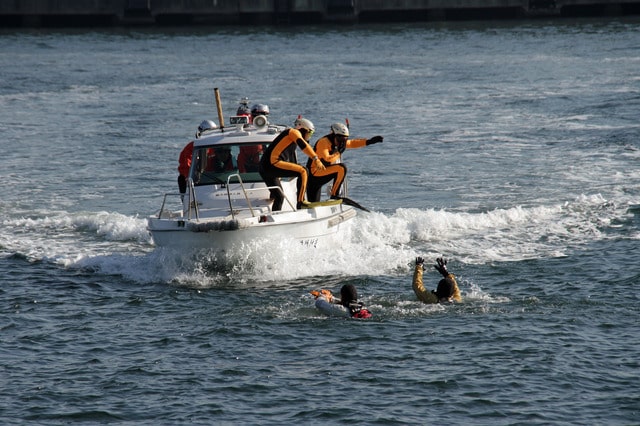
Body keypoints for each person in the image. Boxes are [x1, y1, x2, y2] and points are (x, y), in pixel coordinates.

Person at [259, 117, 326, 211]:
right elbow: (303, 145)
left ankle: (274, 218)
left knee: (279, 197)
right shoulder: (293, 132)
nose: (310, 135)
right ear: (302, 129)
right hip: (273, 164)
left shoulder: (291, 139)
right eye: (310, 132)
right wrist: (315, 158)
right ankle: (301, 202)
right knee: (303, 171)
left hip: (264, 169)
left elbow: (292, 161)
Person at [306, 122, 383, 202]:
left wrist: (369, 141)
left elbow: (352, 143)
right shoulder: (323, 142)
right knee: (341, 168)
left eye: (344, 139)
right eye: (340, 139)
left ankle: (332, 197)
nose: (342, 142)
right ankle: (334, 195)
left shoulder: (340, 143)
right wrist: (338, 153)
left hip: (321, 174)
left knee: (314, 204)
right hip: (314, 174)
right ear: (333, 135)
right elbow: (326, 159)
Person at [178, 120, 217, 195]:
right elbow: (187, 165)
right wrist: (191, 179)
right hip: (190, 180)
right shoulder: (191, 148)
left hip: (213, 180)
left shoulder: (216, 148)